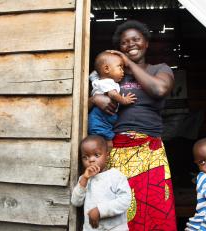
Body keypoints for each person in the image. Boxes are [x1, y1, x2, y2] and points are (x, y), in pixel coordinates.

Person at [90, 20, 177, 230]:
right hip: (116, 148)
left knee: (155, 206)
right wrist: (94, 100)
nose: (130, 44)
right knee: (117, 207)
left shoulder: (160, 69)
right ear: (119, 49)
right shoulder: (112, 75)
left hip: (150, 149)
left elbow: (159, 90)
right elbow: (81, 103)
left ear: (146, 43)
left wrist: (130, 65)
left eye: (136, 39)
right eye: (124, 42)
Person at [71, 135, 131, 231]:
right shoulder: (84, 179)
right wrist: (84, 179)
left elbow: (125, 200)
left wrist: (100, 211)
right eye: (85, 157)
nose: (91, 160)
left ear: (107, 155)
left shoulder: (116, 176)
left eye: (96, 155)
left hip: (115, 228)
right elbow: (76, 202)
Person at [88, 51, 137, 149]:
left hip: (101, 119)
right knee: (107, 144)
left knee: (102, 143)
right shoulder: (107, 82)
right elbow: (113, 94)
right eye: (120, 67)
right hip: (100, 119)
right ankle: (104, 162)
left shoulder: (98, 80)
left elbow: (93, 74)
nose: (123, 71)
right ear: (106, 69)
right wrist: (124, 100)